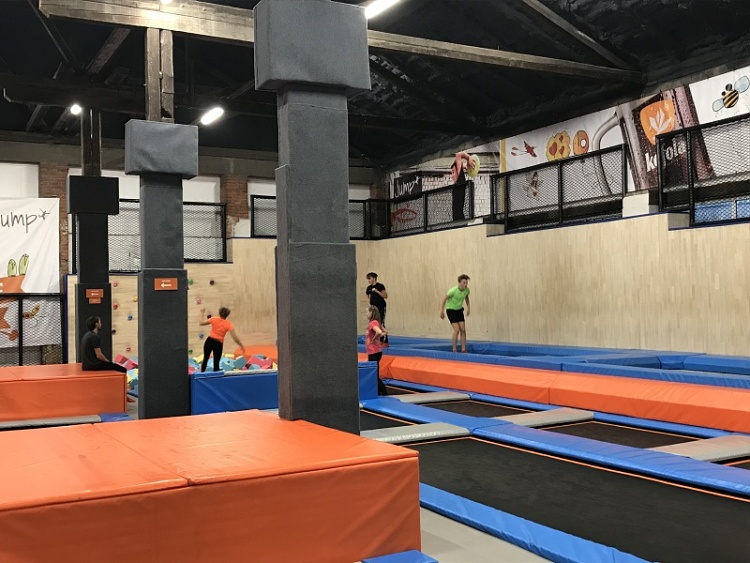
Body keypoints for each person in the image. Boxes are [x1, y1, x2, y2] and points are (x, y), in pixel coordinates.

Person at [198, 306, 244, 372]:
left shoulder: (213, 319)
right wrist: (241, 345)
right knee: (216, 363)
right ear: (227, 315)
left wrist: (202, 312)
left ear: (219, 313)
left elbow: (201, 323)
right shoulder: (228, 324)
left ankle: (201, 374)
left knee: (205, 359)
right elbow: (235, 338)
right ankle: (216, 376)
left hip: (209, 341)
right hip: (218, 344)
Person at [439, 274, 471, 353]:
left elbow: (466, 298)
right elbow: (444, 299)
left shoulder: (467, 290)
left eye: (466, 283)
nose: (465, 284)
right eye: (464, 283)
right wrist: (441, 311)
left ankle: (463, 349)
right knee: (456, 330)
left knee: (463, 330)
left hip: (459, 310)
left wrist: (468, 307)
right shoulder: (453, 290)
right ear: (459, 282)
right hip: (451, 310)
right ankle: (454, 349)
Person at [365, 305, 388, 396]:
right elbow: (385, 331)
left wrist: (374, 339)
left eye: (367, 312)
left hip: (373, 352)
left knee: (374, 375)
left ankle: (385, 394)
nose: (366, 314)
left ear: (371, 312)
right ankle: (378, 393)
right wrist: (378, 337)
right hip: (376, 352)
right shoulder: (376, 322)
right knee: (374, 374)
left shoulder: (373, 323)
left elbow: (379, 332)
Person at [365, 272, 388, 343]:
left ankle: (383, 340)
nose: (368, 280)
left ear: (374, 278)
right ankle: (374, 339)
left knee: (380, 322)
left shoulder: (380, 286)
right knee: (373, 323)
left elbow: (385, 296)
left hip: (380, 307)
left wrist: (377, 291)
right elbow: (368, 297)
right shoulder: (369, 288)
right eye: (368, 279)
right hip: (373, 308)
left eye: (370, 278)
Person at [450, 151, 473, 221]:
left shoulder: (460, 180)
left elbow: (458, 155)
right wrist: (464, 165)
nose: (452, 176)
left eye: (453, 172)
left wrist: (469, 158)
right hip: (456, 220)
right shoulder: (456, 184)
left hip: (460, 220)